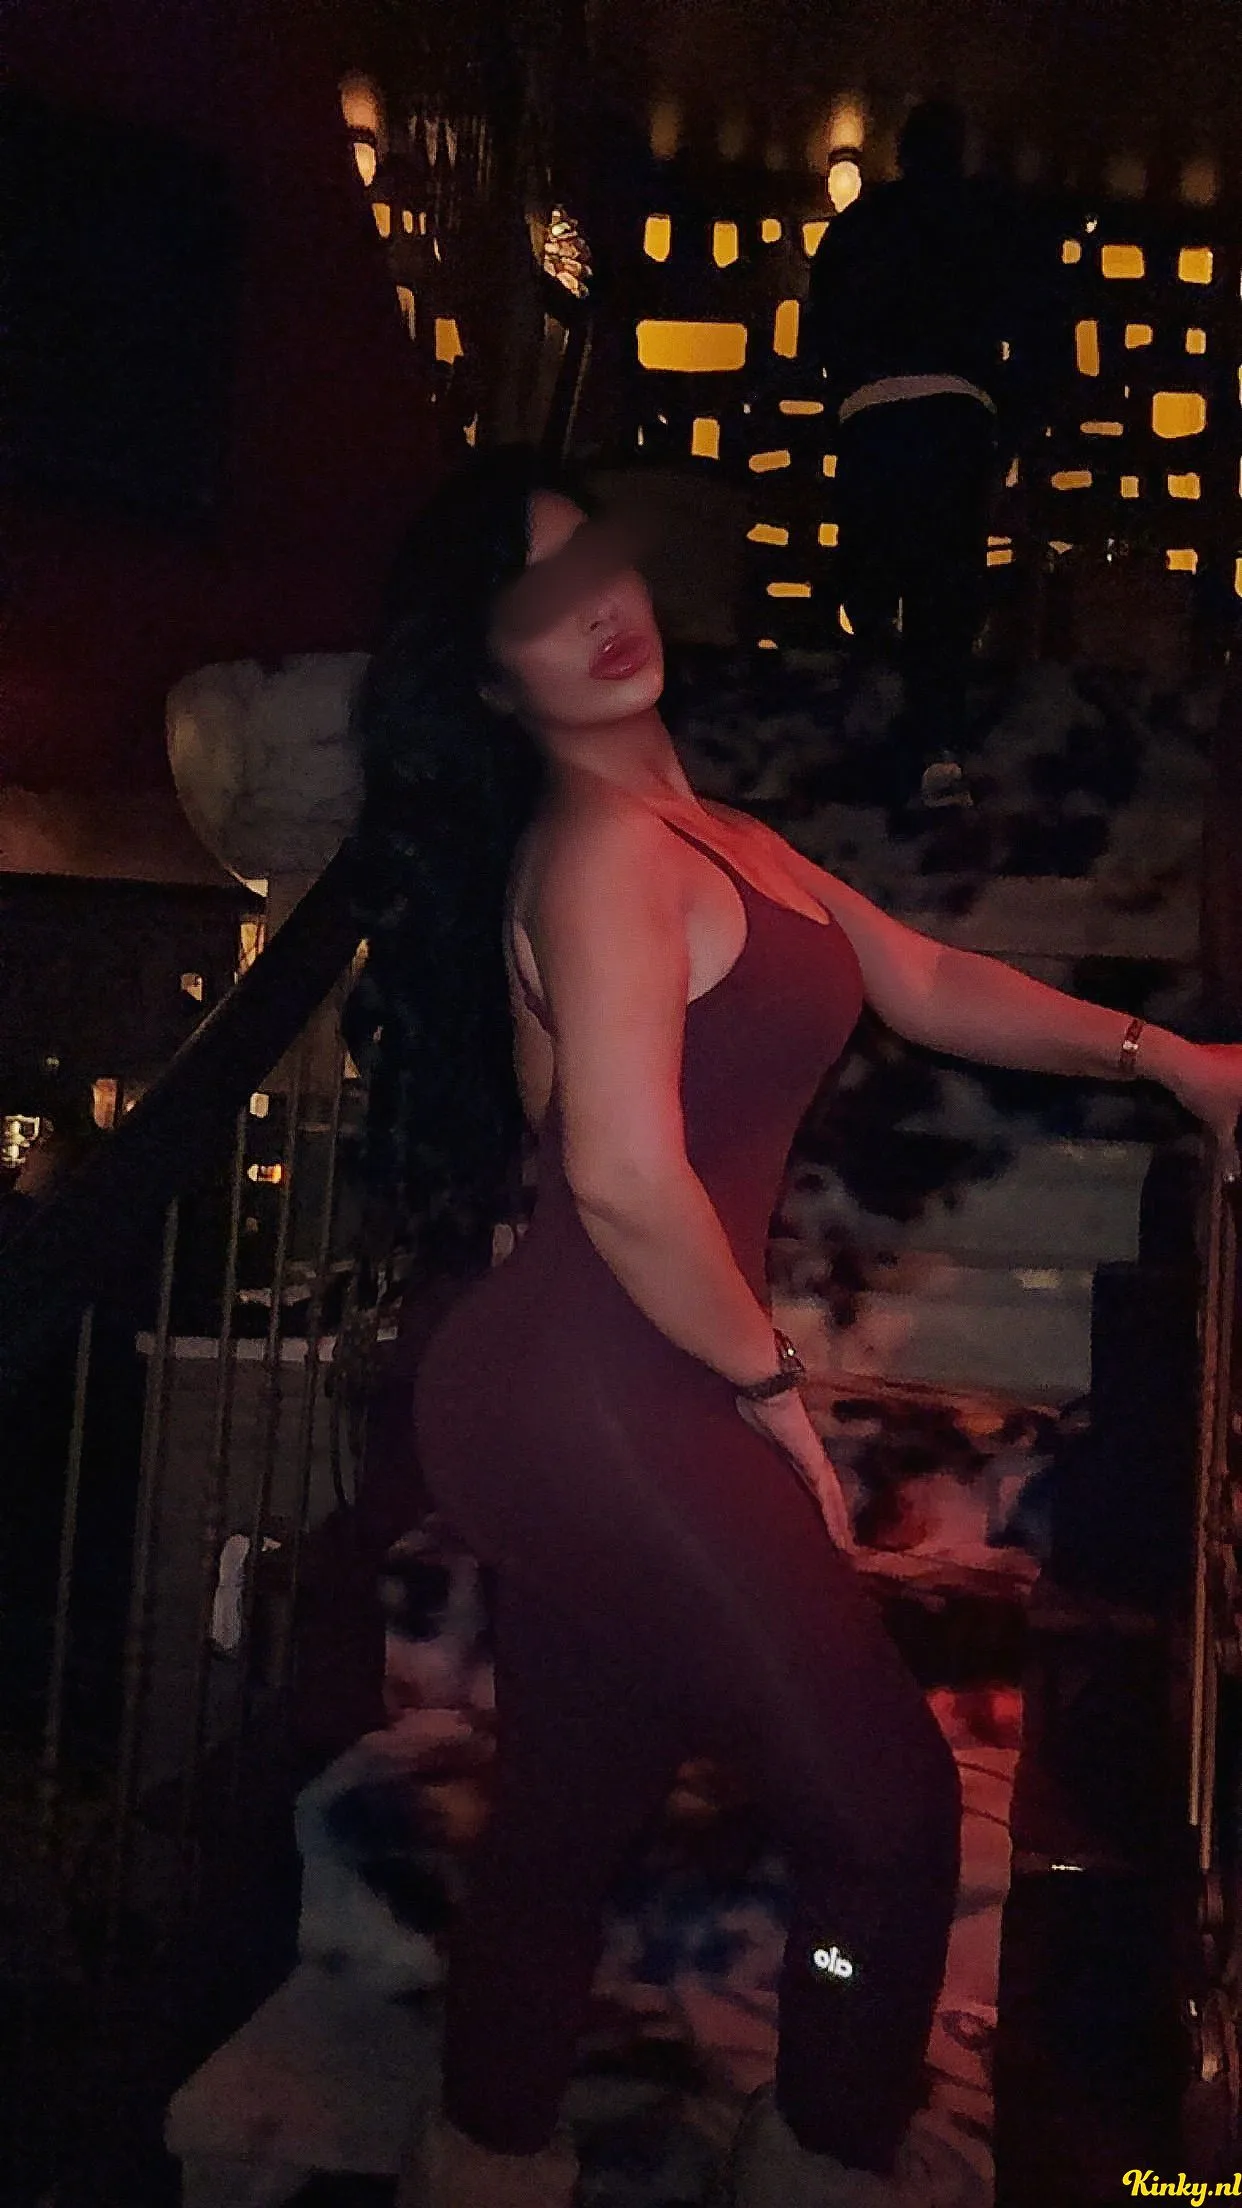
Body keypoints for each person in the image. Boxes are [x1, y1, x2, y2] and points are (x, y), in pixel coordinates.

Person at [344, 444, 1242, 2208]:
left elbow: (930, 979)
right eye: (531, 600)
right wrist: (769, 1385)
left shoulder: (721, 839)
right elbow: (620, 1176)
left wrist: (1171, 1060)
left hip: (601, 1374)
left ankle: (484, 2145)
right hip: (596, 1382)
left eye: (590, 562)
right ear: (488, 674)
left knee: (569, 1804)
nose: (591, 609)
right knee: (887, 1819)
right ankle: (825, 2144)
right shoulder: (598, 851)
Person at [805, 100, 1061, 810]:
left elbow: (820, 330)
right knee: (943, 585)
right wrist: (1007, 425)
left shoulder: (859, 225)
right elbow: (1040, 335)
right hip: (955, 412)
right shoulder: (991, 221)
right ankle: (935, 745)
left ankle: (866, 725)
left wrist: (846, 396)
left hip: (870, 413)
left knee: (869, 574)